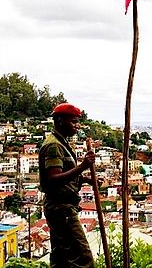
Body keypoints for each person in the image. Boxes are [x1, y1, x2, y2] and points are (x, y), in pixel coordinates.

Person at [39, 103, 96, 268]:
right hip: (61, 208)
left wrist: (85, 179)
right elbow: (54, 179)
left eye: (78, 122)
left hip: (61, 207)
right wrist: (83, 166)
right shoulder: (54, 146)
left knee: (61, 258)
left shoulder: (62, 143)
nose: (77, 126)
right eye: (73, 121)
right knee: (83, 259)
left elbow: (65, 176)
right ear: (59, 121)